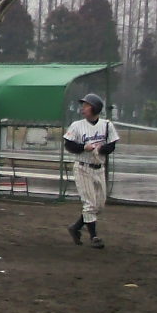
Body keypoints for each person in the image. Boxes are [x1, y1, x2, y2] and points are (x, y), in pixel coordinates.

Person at [64, 93, 119, 249]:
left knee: (99, 206)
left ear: (95, 108)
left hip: (99, 169)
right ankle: (94, 237)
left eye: (86, 105)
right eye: (83, 105)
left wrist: (101, 149)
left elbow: (112, 146)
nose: (83, 108)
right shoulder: (77, 125)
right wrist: (84, 147)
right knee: (89, 204)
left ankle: (75, 227)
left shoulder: (107, 125)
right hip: (83, 168)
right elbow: (68, 145)